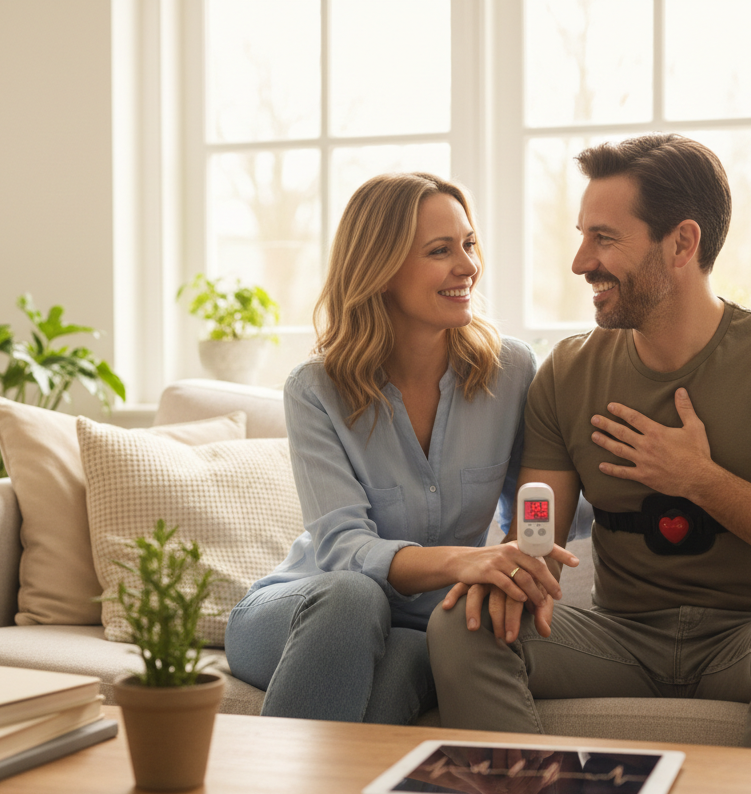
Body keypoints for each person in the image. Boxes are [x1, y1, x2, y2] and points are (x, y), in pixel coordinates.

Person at [426, 134, 751, 794]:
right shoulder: (569, 371)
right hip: (619, 635)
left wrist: (701, 479)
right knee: (461, 621)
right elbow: (539, 540)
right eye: (583, 236)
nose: (582, 261)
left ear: (682, 243)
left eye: (604, 239)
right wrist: (516, 569)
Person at [224, 172, 579, 725]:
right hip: (306, 607)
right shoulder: (315, 388)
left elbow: (542, 504)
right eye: (440, 251)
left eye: (468, 244)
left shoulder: (510, 371)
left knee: (422, 651)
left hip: (420, 626)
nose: (467, 266)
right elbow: (344, 551)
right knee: (354, 598)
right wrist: (469, 560)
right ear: (380, 269)